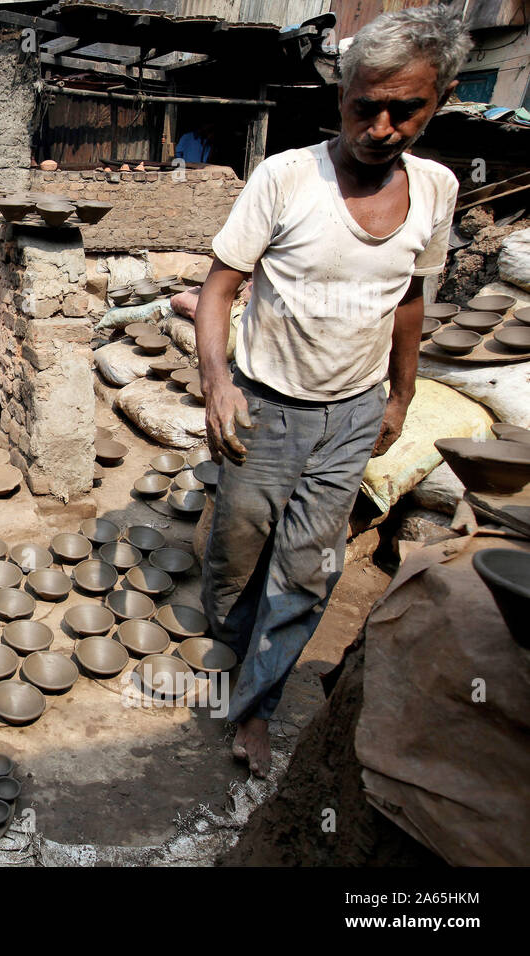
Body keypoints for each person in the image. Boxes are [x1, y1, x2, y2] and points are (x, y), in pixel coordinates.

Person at [194, 6, 470, 778]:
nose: (381, 127)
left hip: (351, 414)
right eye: (365, 106)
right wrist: (218, 382)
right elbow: (219, 290)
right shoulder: (285, 178)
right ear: (341, 96)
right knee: (238, 550)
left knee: (310, 568)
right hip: (263, 404)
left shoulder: (438, 188)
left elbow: (413, 299)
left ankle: (256, 706)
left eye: (404, 109)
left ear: (438, 99)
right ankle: (229, 635)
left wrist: (401, 396)